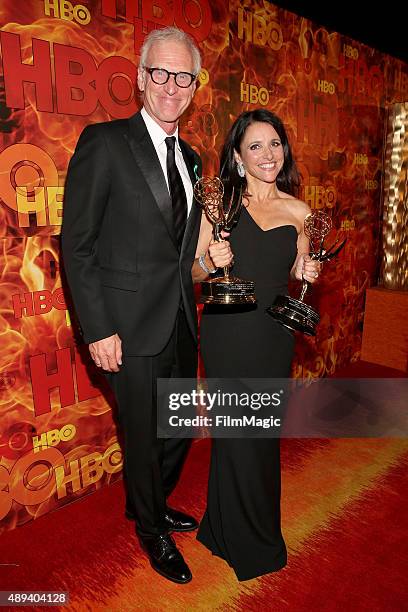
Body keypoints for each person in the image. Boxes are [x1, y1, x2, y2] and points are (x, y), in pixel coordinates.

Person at [61, 26, 230, 584]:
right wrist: (98, 328)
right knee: (143, 432)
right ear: (140, 79)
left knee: (178, 428)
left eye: (183, 76)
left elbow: (184, 255)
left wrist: (214, 263)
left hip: (181, 320)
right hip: (127, 328)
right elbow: (77, 245)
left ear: (194, 86)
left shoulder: (196, 160)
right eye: (160, 73)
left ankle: (145, 502)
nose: (171, 86)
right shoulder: (105, 143)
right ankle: (151, 528)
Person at [193, 108, 321, 580]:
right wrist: (209, 260)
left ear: (284, 150)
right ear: (237, 155)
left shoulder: (300, 211)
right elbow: (189, 271)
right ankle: (253, 544)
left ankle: (221, 530)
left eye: (275, 144)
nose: (268, 155)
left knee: (258, 437)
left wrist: (306, 272)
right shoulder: (220, 202)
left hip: (273, 332)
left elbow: (295, 271)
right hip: (228, 329)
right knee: (236, 433)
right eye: (255, 146)